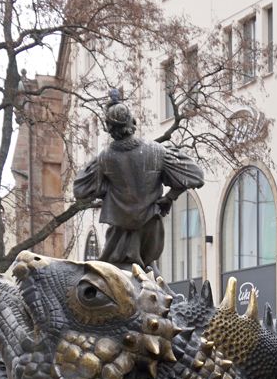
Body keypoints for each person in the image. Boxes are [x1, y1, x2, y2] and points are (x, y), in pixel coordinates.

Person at [73, 91, 206, 269]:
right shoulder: (157, 151)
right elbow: (195, 176)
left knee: (116, 279)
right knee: (147, 274)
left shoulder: (104, 158)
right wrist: (169, 197)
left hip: (119, 236)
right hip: (150, 229)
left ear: (109, 129)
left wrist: (104, 190)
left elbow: (80, 191)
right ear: (132, 122)